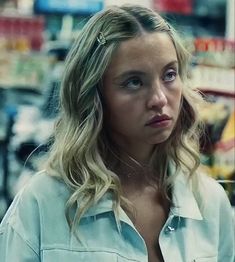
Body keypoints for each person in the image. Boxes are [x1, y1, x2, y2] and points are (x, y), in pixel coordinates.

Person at [0, 5, 234, 262]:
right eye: (134, 82)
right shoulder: (42, 205)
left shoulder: (210, 203)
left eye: (169, 74)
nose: (158, 98)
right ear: (94, 95)